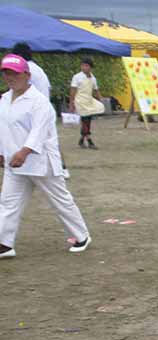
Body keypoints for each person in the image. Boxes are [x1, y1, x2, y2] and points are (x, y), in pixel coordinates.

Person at [0, 54, 91, 258]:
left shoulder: (39, 102)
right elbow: (3, 128)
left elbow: (38, 132)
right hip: (14, 164)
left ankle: (82, 235)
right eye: (6, 73)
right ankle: (4, 244)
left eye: (14, 73)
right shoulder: (5, 99)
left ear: (26, 75)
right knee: (7, 202)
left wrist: (24, 152)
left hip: (41, 163)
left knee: (59, 200)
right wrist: (2, 153)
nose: (10, 77)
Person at [69, 57, 103, 149]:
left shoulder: (93, 78)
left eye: (86, 66)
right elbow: (73, 90)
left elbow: (96, 90)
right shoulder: (77, 77)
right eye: (82, 65)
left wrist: (100, 99)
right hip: (79, 101)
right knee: (85, 120)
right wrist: (71, 103)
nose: (84, 67)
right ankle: (89, 140)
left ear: (90, 67)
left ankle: (81, 139)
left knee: (88, 120)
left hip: (88, 101)